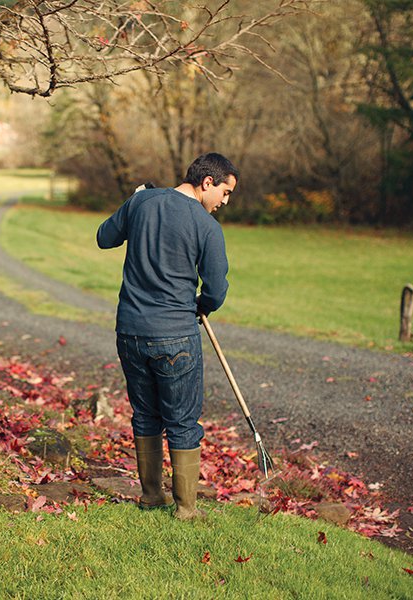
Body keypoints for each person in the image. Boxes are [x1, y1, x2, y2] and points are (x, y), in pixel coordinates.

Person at [96, 153, 238, 520]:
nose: (225, 201)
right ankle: (186, 509)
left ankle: (150, 496)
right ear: (207, 183)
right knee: (182, 421)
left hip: (130, 332)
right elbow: (217, 290)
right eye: (225, 192)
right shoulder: (206, 227)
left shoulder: (142, 201)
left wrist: (132, 200)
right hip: (176, 335)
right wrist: (200, 305)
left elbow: (104, 237)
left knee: (145, 414)